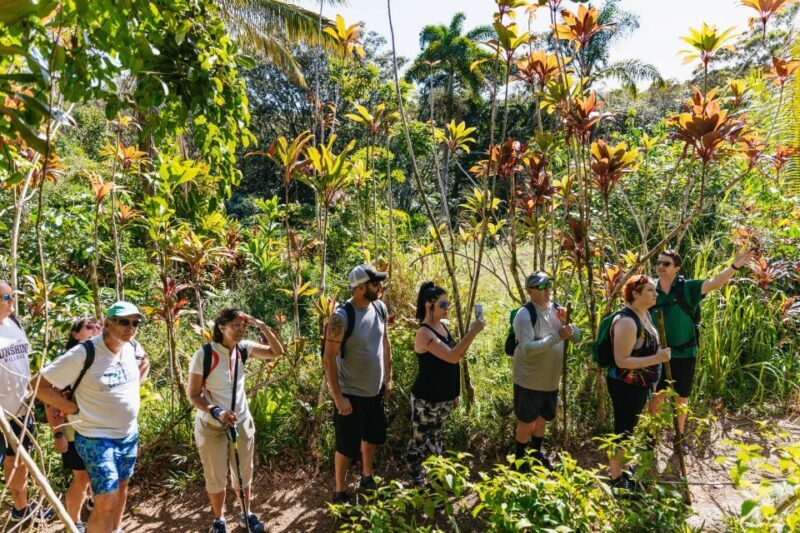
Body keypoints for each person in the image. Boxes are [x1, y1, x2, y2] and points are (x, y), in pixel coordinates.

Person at [34, 301, 150, 533]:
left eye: (135, 323)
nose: (130, 327)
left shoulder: (131, 347)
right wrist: (73, 409)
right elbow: (39, 385)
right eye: (124, 322)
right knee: (106, 498)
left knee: (122, 487)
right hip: (96, 436)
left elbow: (144, 363)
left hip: (127, 434)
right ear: (107, 323)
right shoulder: (84, 353)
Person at [187, 308, 285, 533]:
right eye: (236, 325)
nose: (241, 330)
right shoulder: (204, 355)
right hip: (211, 424)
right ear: (222, 327)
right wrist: (216, 411)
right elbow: (193, 395)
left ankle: (246, 514)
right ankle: (219, 519)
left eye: (244, 326)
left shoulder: (244, 349)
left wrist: (261, 325)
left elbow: (277, 352)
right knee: (215, 476)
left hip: (241, 421)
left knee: (243, 473)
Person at [649, 248, 754, 441]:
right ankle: (651, 438)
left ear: (677, 268)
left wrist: (734, 266)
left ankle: (678, 436)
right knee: (657, 396)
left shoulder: (687, 288)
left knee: (681, 397)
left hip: (685, 353)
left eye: (666, 264)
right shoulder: (650, 289)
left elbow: (714, 283)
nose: (660, 267)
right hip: (657, 354)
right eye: (658, 263)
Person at [323, 264, 392, 504]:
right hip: (351, 393)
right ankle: (340, 490)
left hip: (375, 391)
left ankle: (367, 476)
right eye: (376, 284)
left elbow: (385, 342)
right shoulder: (341, 317)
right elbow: (328, 358)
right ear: (361, 288)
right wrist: (338, 398)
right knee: (346, 447)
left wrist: (387, 379)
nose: (380, 287)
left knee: (371, 437)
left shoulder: (380, 308)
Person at [407, 282, 484, 486]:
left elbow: (453, 361)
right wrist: (473, 332)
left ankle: (435, 479)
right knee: (420, 440)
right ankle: (417, 478)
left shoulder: (442, 327)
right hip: (426, 398)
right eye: (443, 304)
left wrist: (454, 392)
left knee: (436, 439)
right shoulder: (424, 333)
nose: (447, 307)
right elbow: (452, 356)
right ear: (428, 305)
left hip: (443, 397)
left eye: (447, 303)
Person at [606, 275, 671, 490]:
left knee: (629, 428)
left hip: (640, 384)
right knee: (623, 429)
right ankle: (616, 478)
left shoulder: (644, 315)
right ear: (635, 294)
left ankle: (622, 469)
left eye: (655, 290)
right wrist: (657, 359)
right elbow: (621, 360)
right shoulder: (626, 321)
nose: (655, 294)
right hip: (625, 385)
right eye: (650, 291)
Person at [511, 272, 580, 470]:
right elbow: (527, 349)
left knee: (541, 420)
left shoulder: (557, 310)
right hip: (529, 381)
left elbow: (577, 338)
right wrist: (558, 336)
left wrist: (568, 324)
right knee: (526, 422)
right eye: (541, 287)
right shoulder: (525, 315)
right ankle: (519, 462)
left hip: (550, 381)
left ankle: (535, 455)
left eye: (549, 285)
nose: (547, 290)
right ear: (530, 291)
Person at [0, 281, 54, 524]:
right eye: (6, 297)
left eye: (12, 296)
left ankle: (22, 506)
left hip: (22, 407)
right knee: (11, 458)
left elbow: (23, 362)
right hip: (2, 412)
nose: (12, 301)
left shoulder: (13, 323)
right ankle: (20, 507)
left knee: (20, 457)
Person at [43, 317, 103, 532]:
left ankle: (96, 513)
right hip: (72, 429)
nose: (95, 330)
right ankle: (73, 522)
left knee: (98, 473)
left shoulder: (103, 357)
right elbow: (48, 398)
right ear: (75, 334)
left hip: (98, 427)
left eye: (99, 326)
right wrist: (57, 433)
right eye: (89, 327)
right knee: (82, 476)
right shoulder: (66, 361)